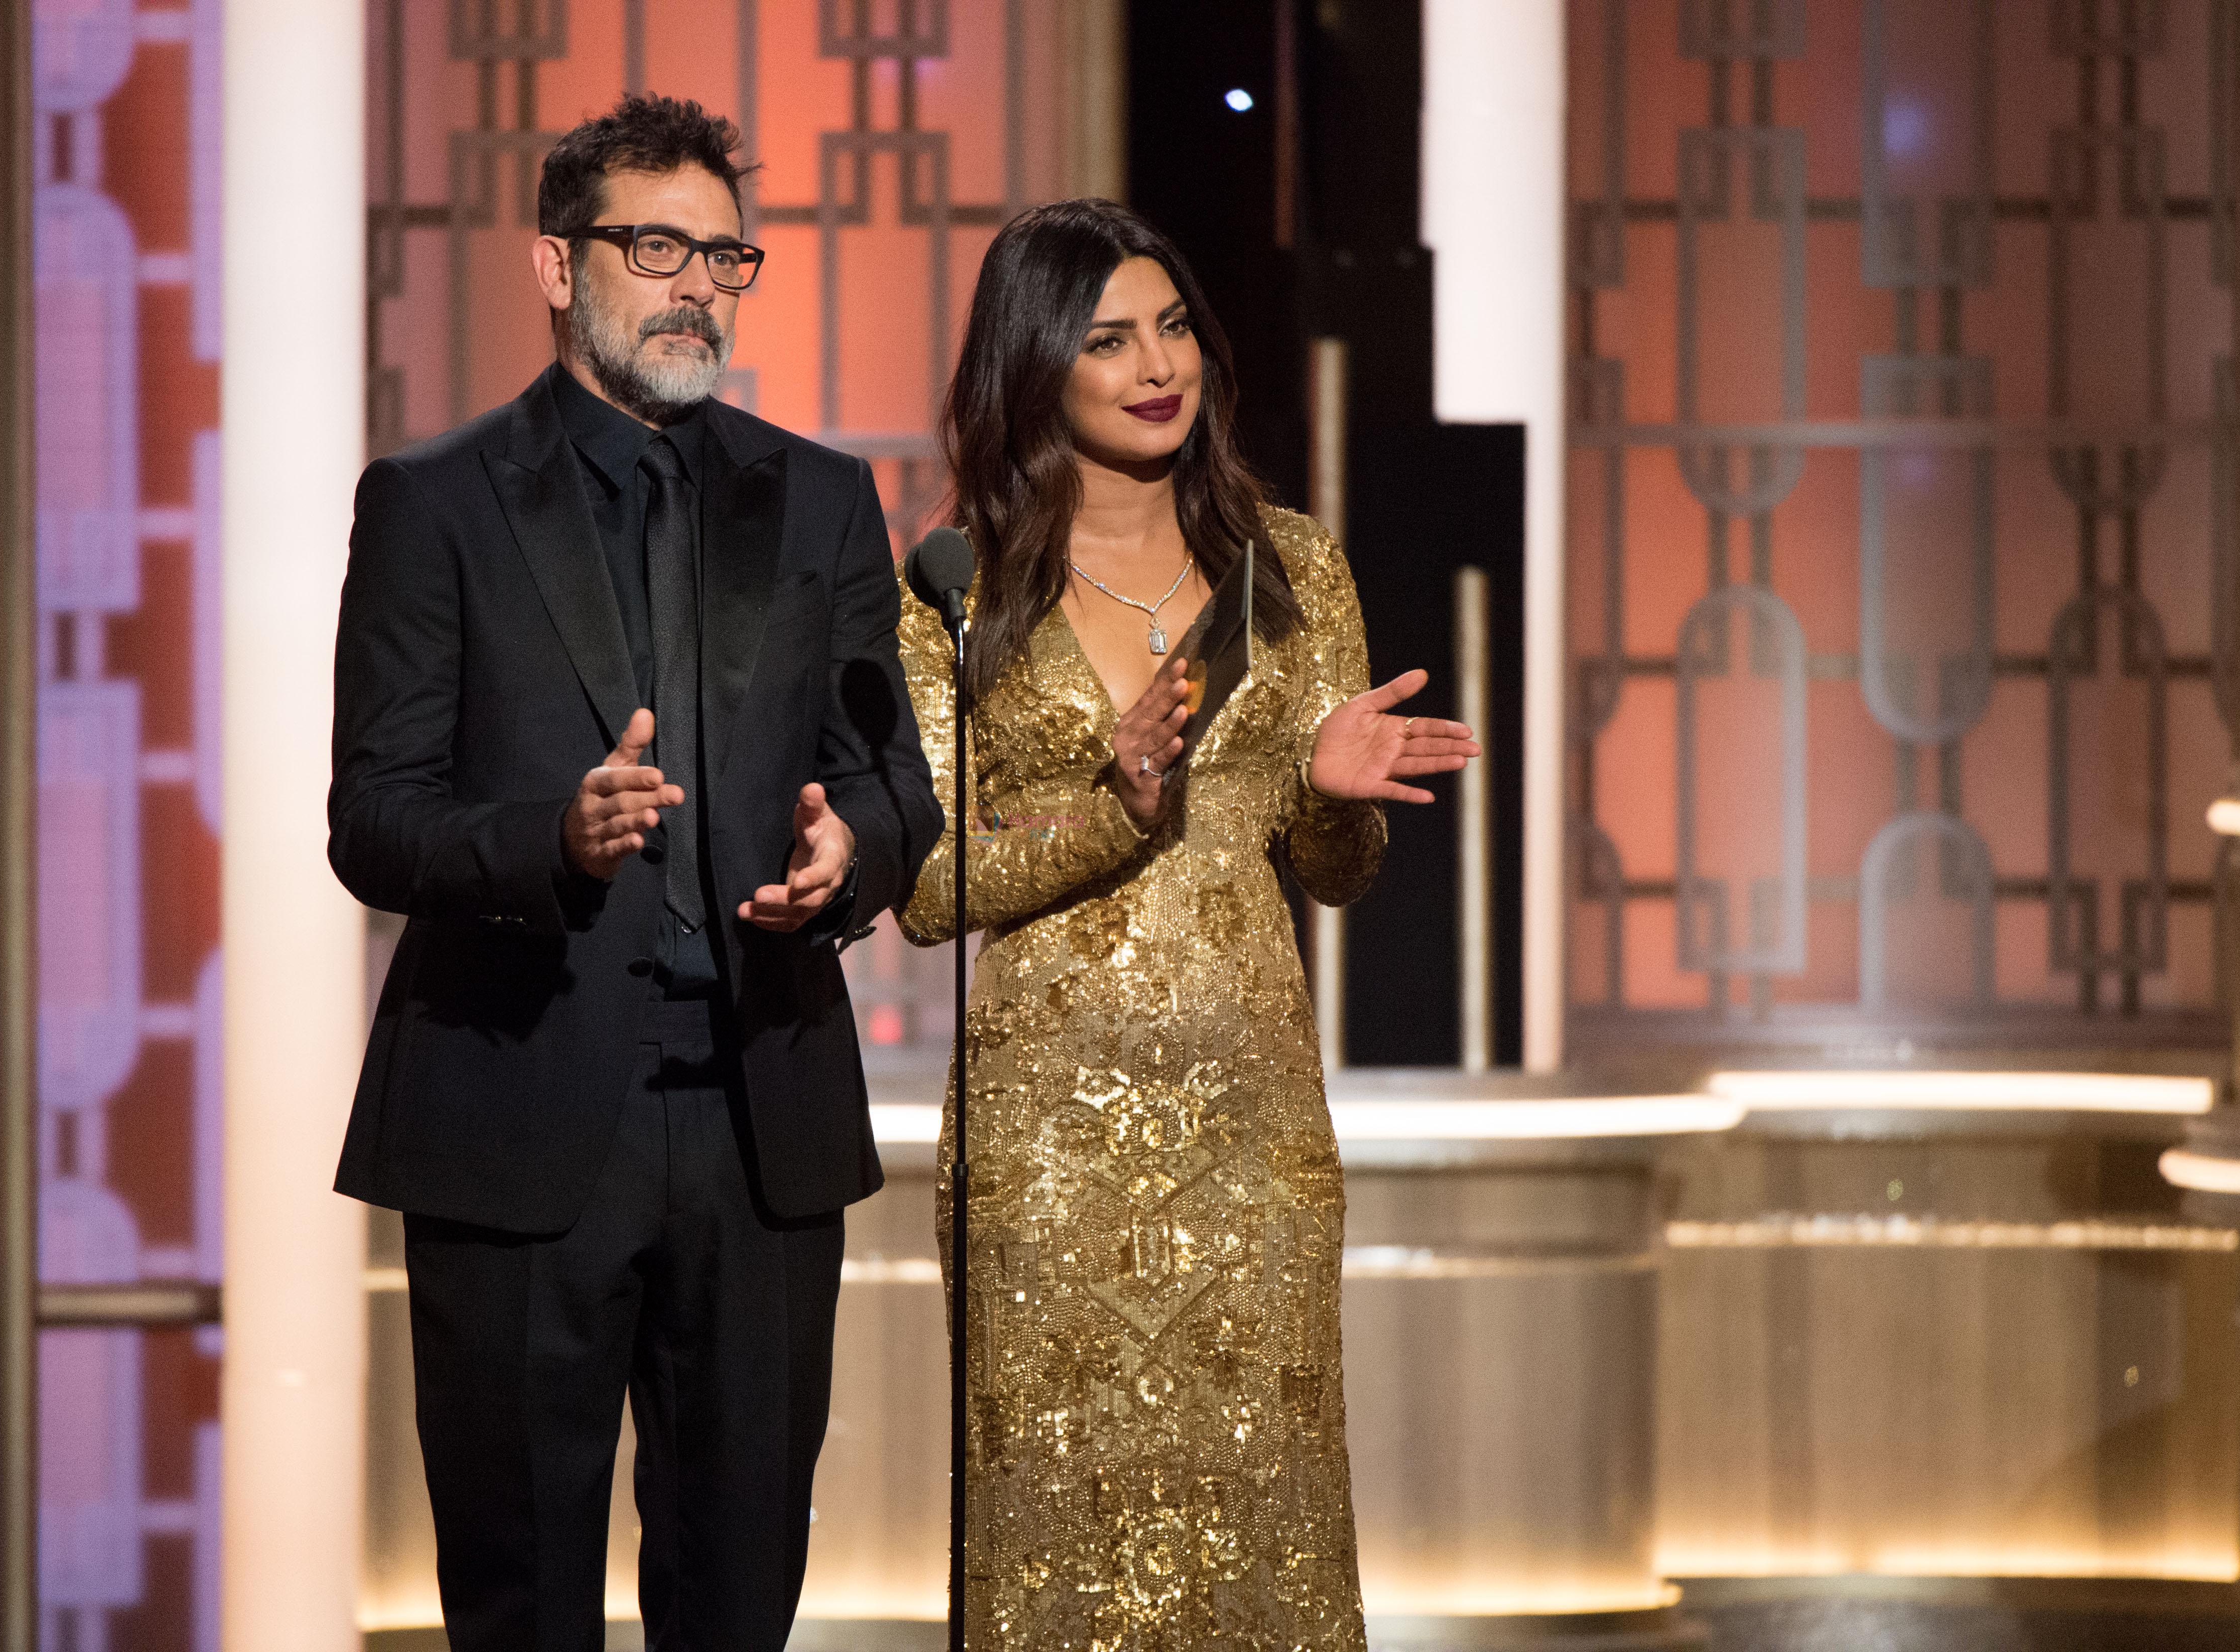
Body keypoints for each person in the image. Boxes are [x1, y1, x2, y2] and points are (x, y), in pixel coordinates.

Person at [327, 94, 940, 1652]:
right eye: (652, 246)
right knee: (523, 1593)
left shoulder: (817, 499)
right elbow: (373, 818)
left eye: (721, 254)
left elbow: (891, 774)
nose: (694, 286)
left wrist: (850, 852)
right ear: (556, 263)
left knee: (740, 1592)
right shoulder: (437, 502)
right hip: (521, 1108)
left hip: (762, 1110)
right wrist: (552, 836)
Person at [896, 199, 1480, 1650]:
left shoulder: (1292, 568)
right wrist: (1118, 803)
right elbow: (918, 885)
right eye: (1107, 339)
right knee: (1054, 1553)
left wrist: (1331, 794)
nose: (1157, 365)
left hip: (1251, 1138)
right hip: (1044, 1154)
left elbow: (1338, 874)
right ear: (1037, 371)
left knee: (1262, 1546)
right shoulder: (958, 593)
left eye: (1172, 328)